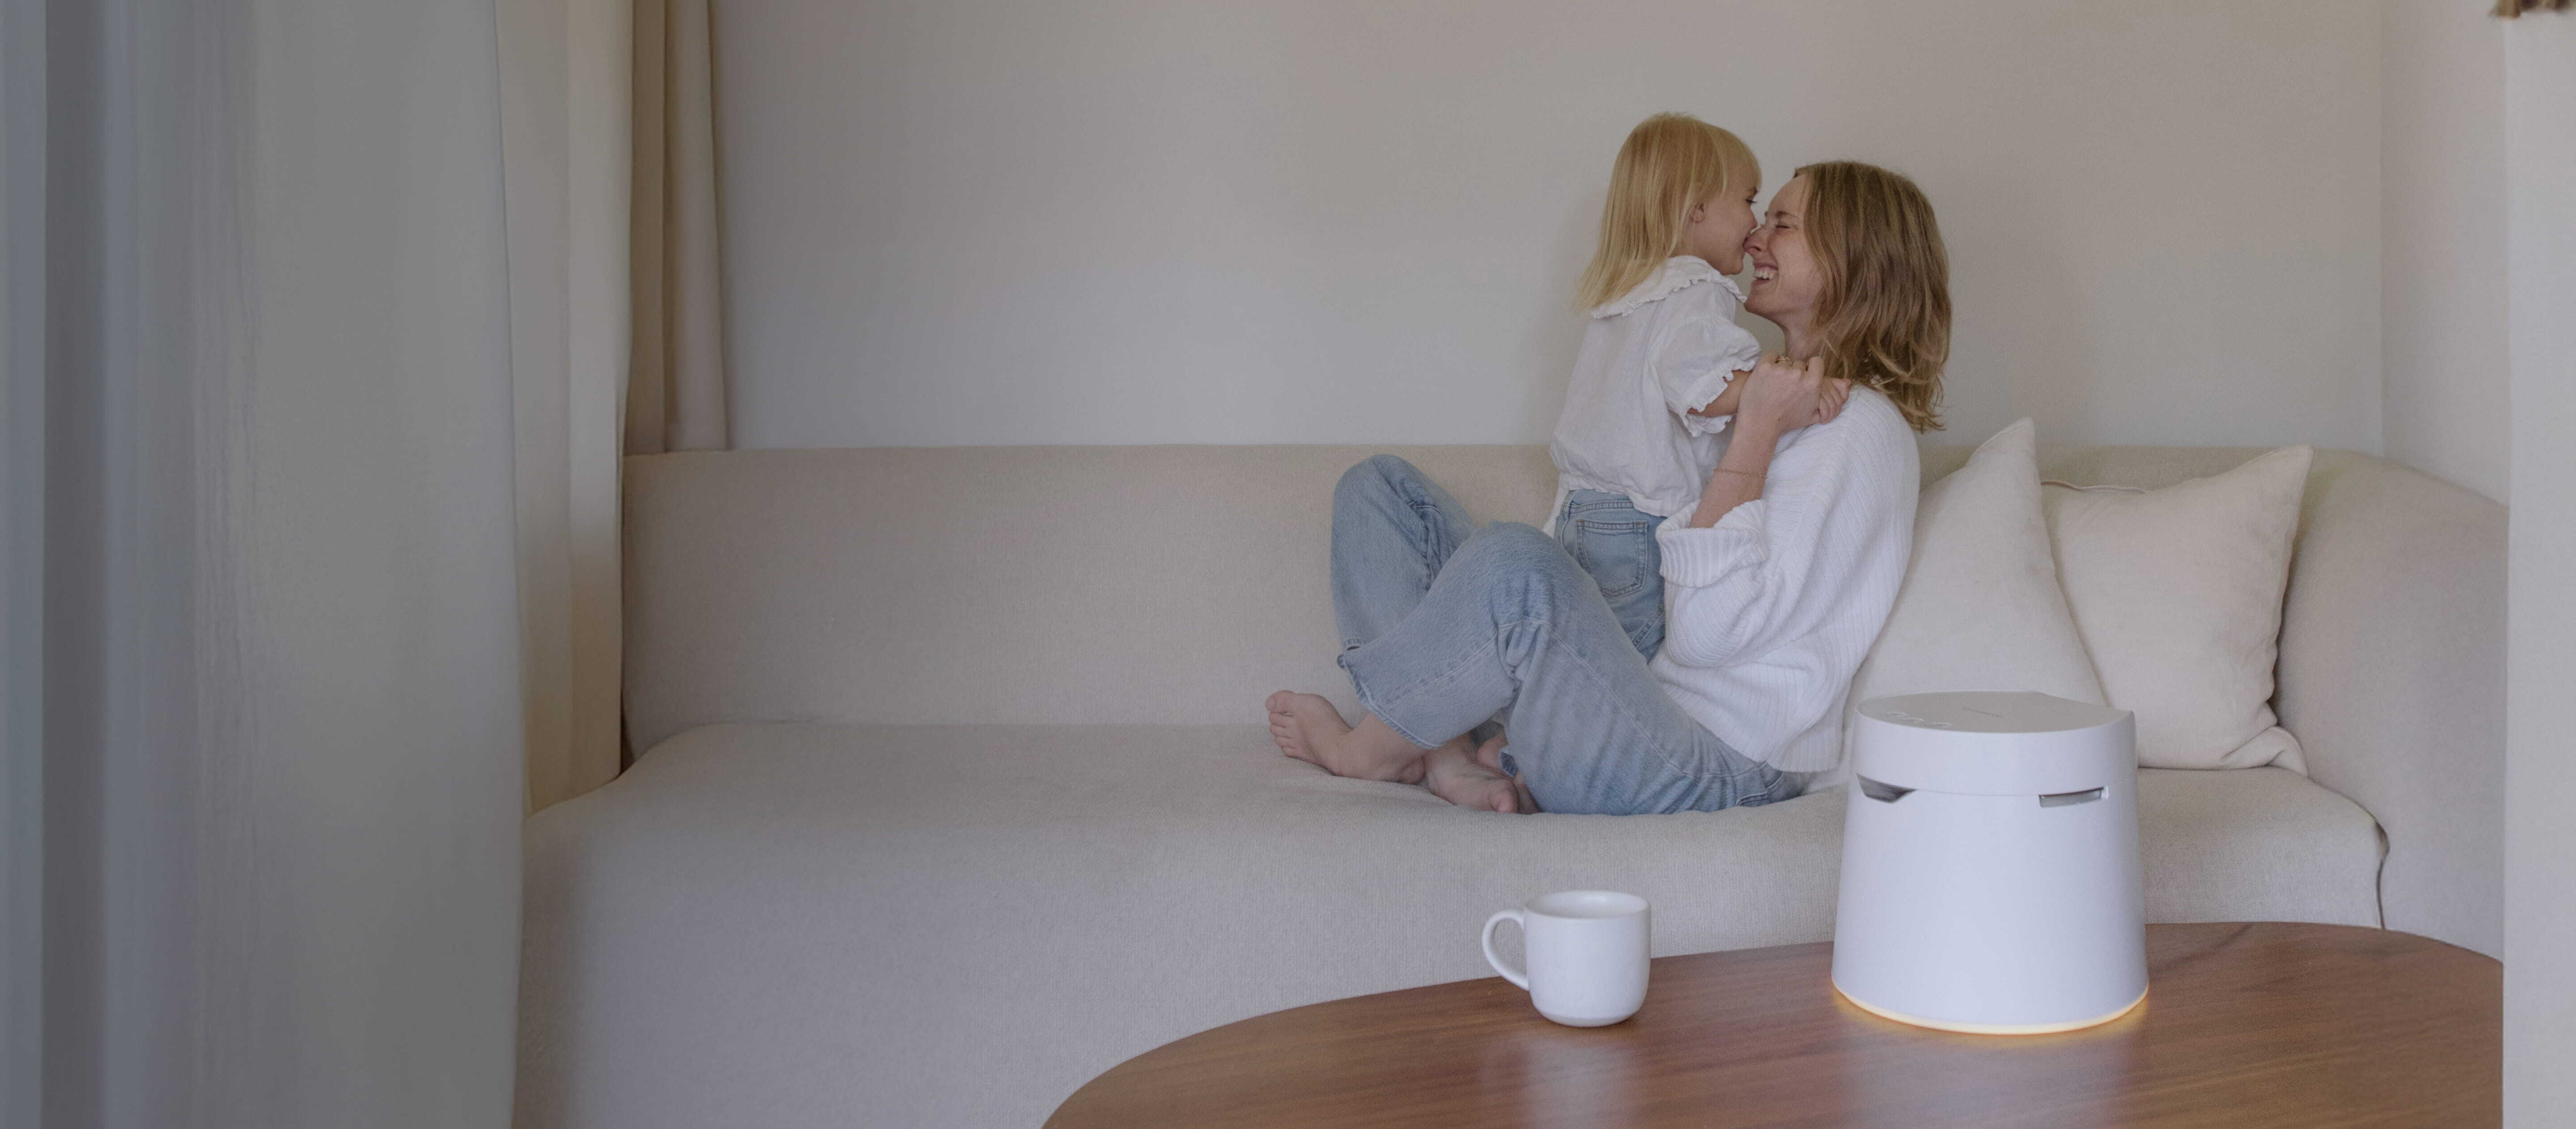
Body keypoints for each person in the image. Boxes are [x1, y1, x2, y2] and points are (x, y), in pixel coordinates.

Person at [1265, 161, 1950, 815]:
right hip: (1639, 710)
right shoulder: (1759, 392)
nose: (1755, 237)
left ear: (1853, 258)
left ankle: (1366, 752)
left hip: (1713, 765)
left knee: (1514, 565)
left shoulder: (1858, 430)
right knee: (1382, 492)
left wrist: (1756, 432)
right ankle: (1444, 754)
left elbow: (1710, 635)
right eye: (1761, 216)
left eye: (1783, 223)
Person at [1546, 113, 1846, 662]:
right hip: (1638, 520)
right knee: (1628, 671)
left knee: (1576, 656)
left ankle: (1516, 739)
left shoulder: (1630, 291)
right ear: (1697, 209)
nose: (1754, 229)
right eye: (1750, 203)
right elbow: (1702, 388)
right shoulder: (1696, 287)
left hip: (1578, 511)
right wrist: (1785, 386)